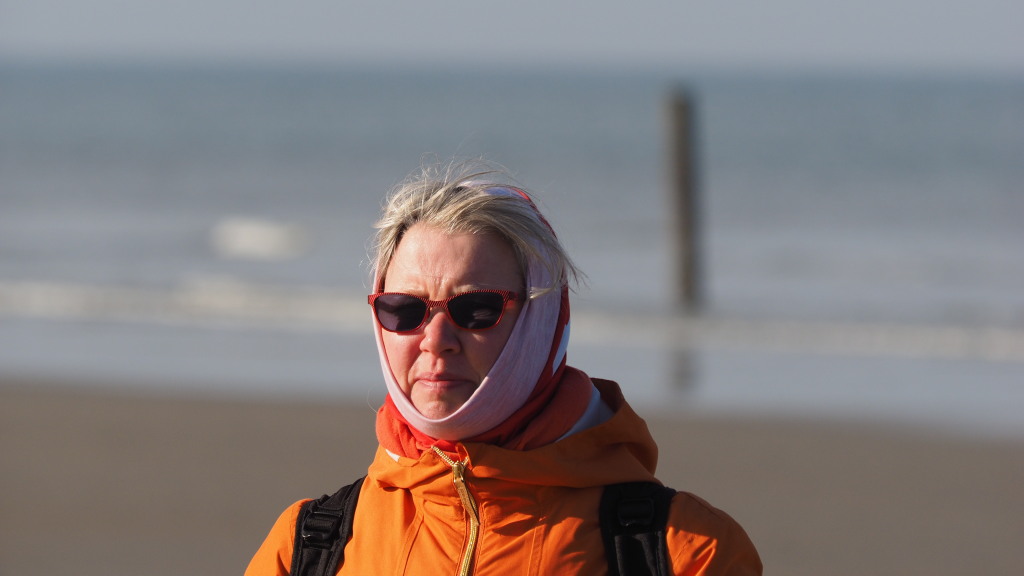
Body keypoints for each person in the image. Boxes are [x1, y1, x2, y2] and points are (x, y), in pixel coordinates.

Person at [245, 161, 762, 575]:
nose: (435, 341)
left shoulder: (686, 551)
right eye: (404, 309)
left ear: (541, 323)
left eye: (476, 309)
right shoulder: (308, 544)